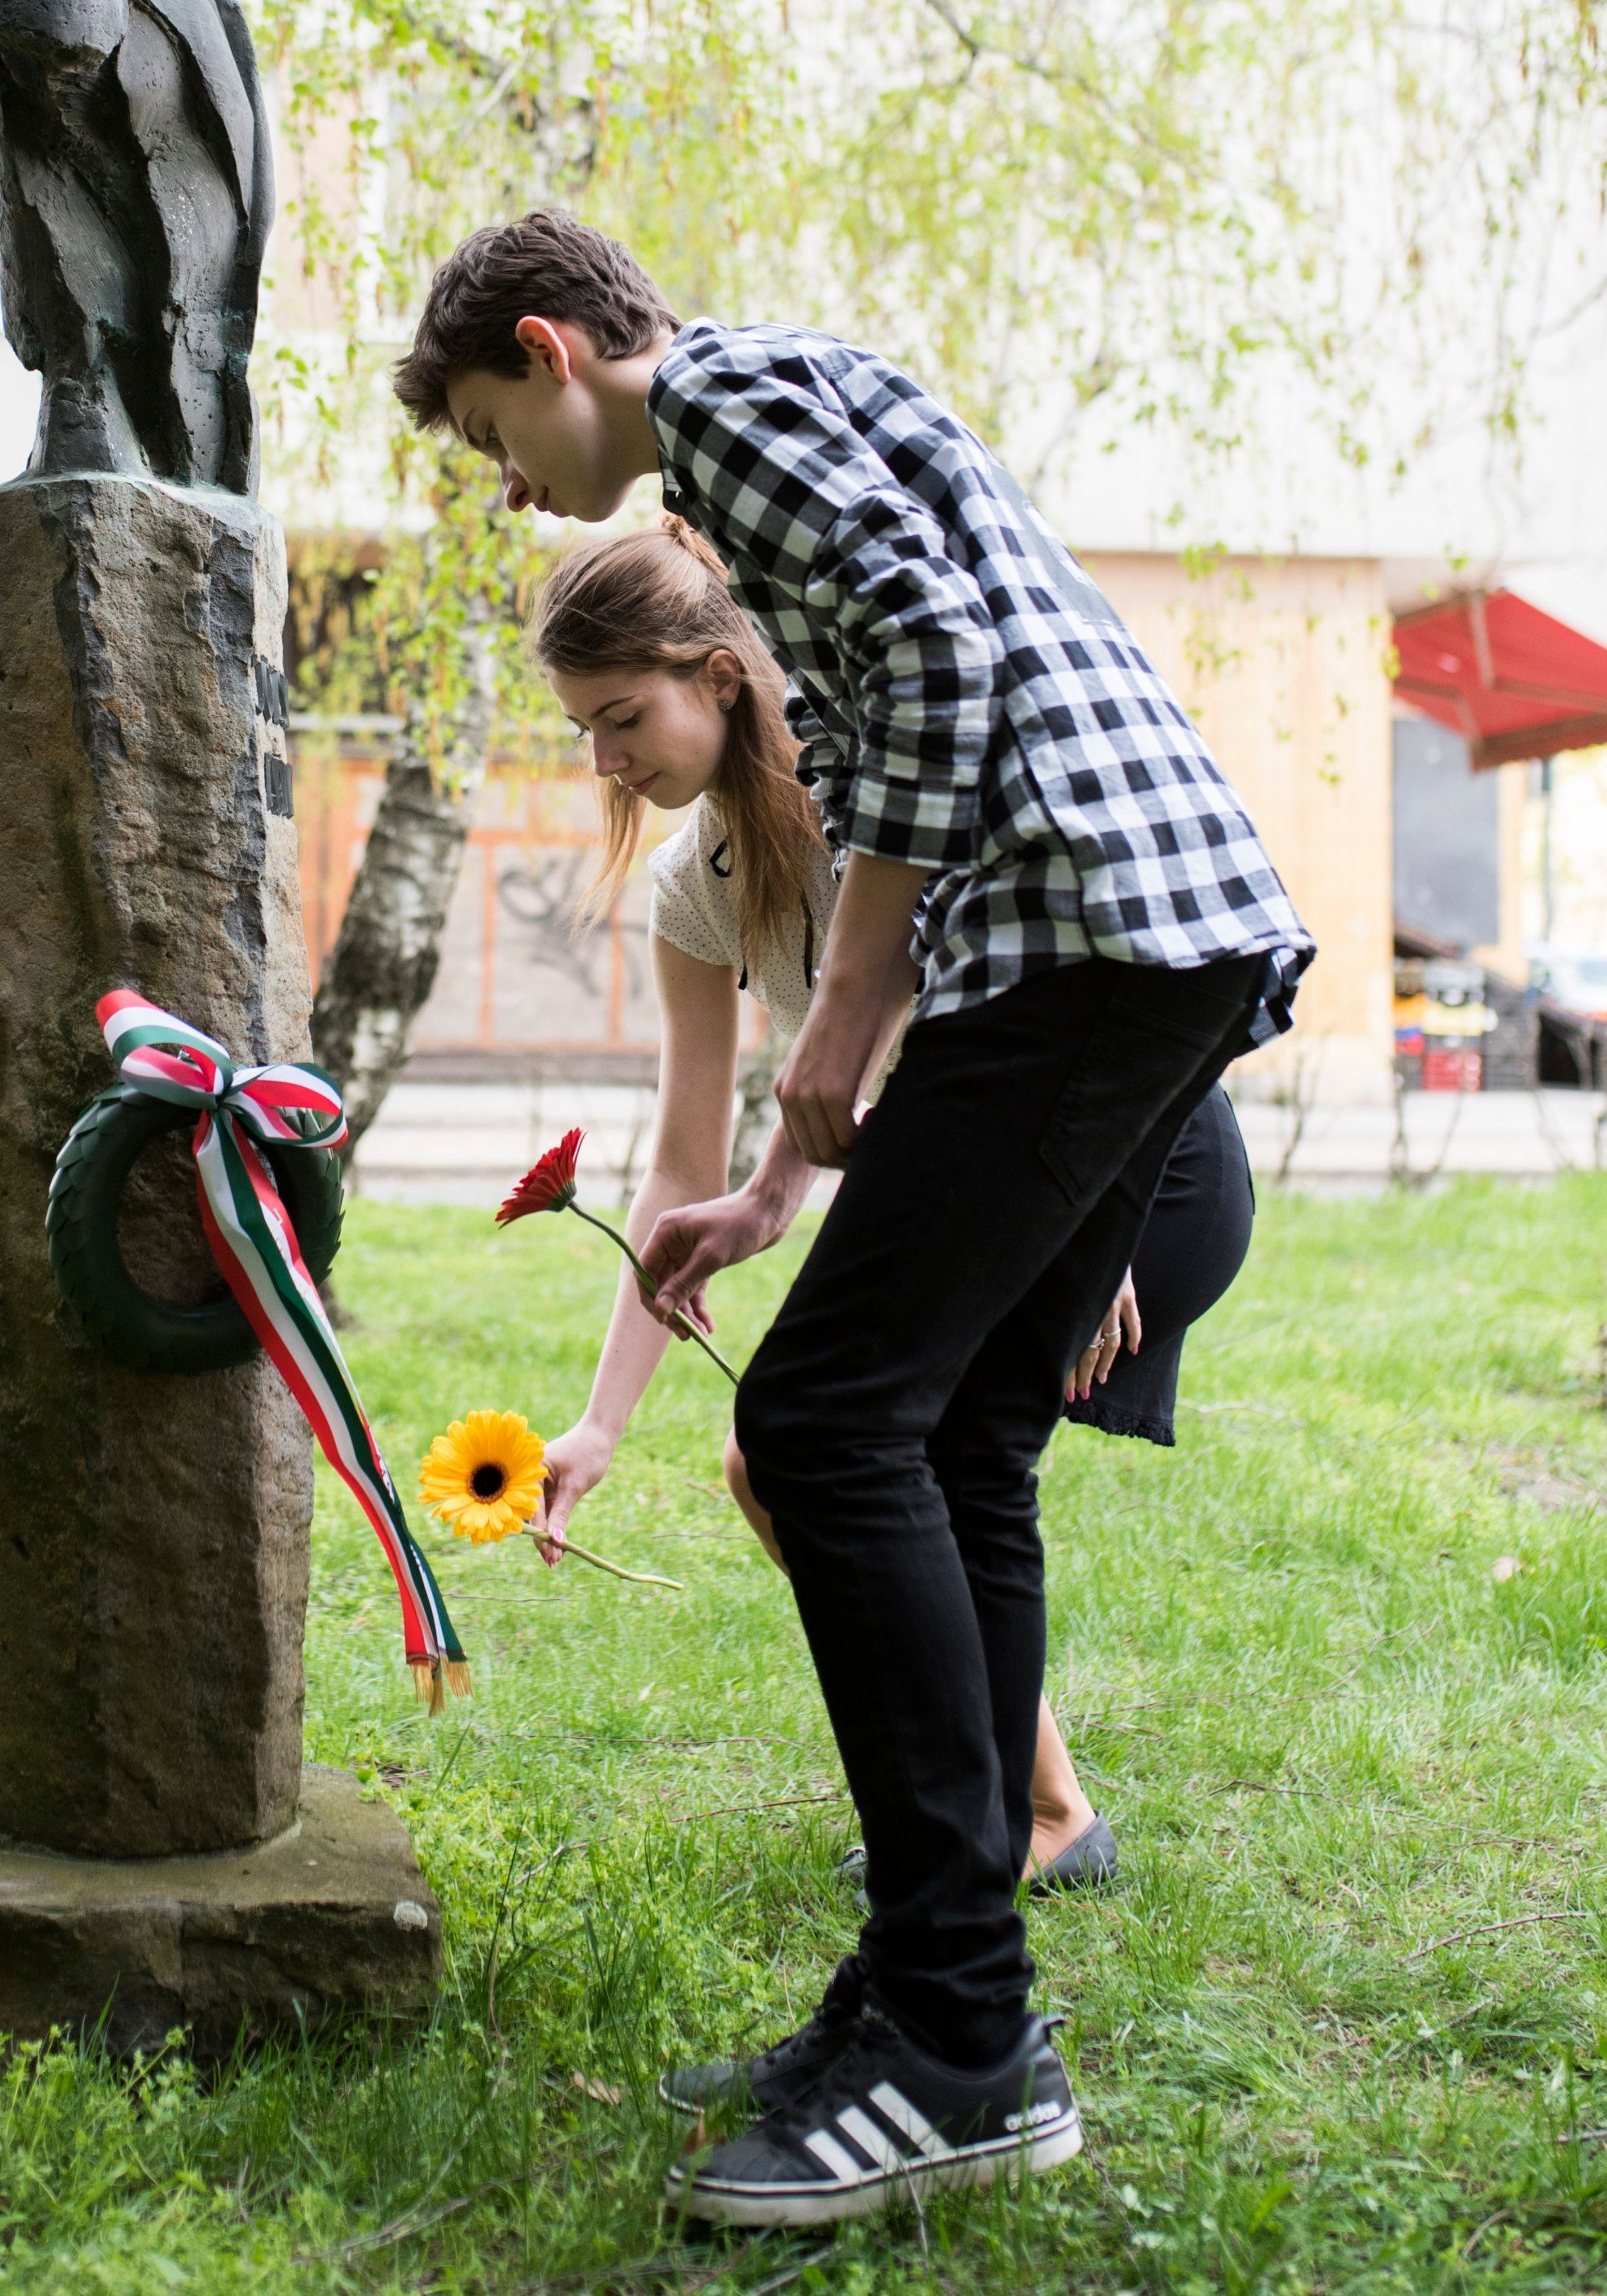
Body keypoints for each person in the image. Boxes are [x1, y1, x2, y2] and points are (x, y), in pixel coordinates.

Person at [395, 212, 1312, 2228]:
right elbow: (935, 647)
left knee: (819, 1428)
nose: (506, 478)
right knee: (960, 1432)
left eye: (486, 430)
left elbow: (923, 654)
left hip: (1075, 933)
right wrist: (773, 1182)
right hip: (1141, 933)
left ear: (552, 350)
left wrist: (847, 998)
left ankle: (960, 2043)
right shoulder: (780, 385)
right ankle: (935, 1985)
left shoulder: (712, 412)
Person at [530, 522, 1257, 1897]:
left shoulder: (884, 795)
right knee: (786, 1455)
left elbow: (1036, 1031)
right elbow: (688, 1156)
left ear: (721, 675)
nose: (603, 760)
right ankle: (997, 1803)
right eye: (582, 729)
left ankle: (1027, 1814)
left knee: (858, 1445)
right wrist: (602, 1418)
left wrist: (1066, 1228)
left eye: (622, 716)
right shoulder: (699, 890)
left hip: (1134, 1153)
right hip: (1009, 1175)